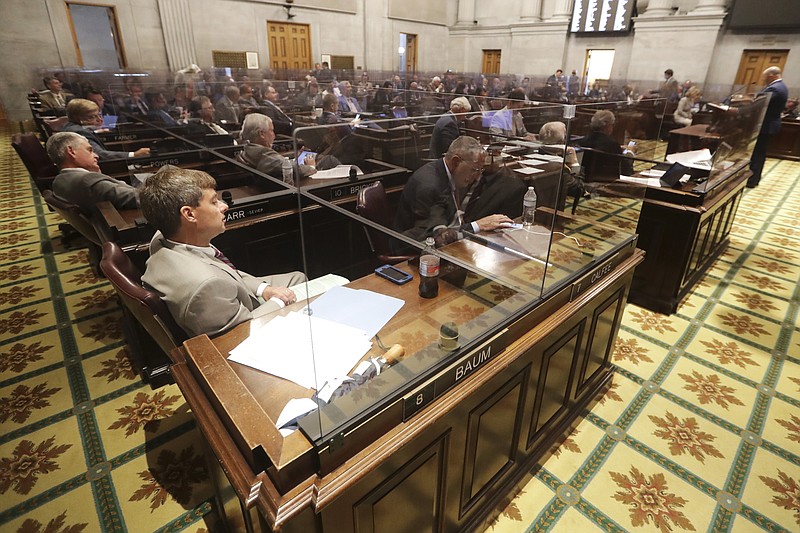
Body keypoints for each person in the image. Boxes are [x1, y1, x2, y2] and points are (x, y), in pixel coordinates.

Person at [139, 166, 306, 337]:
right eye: (213, 202)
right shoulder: (206, 285)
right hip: (240, 329)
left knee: (298, 278)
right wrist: (279, 301)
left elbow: (223, 271)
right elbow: (239, 333)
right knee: (303, 290)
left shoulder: (163, 237)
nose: (224, 206)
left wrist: (263, 289)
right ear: (189, 214)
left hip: (223, 298)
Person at [394, 136, 513, 243]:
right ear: (456, 162)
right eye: (474, 170)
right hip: (412, 247)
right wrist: (478, 225)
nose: (477, 178)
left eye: (480, 171)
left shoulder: (446, 173)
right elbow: (437, 238)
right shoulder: (430, 187)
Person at [46, 132, 138, 213]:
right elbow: (141, 199)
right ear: (71, 151)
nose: (96, 156)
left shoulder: (58, 181)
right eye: (89, 150)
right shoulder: (89, 182)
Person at [237, 113, 321, 180]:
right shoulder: (263, 154)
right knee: (326, 161)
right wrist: (311, 166)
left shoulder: (248, 149)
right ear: (261, 134)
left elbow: (278, 163)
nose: (274, 135)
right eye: (272, 130)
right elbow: (298, 171)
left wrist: (295, 159)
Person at [62, 99, 151, 160]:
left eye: (99, 115)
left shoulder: (70, 126)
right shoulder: (79, 132)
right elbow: (100, 155)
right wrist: (134, 154)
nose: (99, 120)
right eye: (92, 117)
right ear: (78, 118)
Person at [748, 66, 789, 188]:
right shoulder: (781, 87)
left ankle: (752, 180)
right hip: (769, 125)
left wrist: (741, 108)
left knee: (757, 154)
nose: (763, 79)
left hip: (766, 126)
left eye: (764, 76)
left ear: (772, 76)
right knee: (759, 153)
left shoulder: (775, 88)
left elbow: (759, 104)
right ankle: (753, 178)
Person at [578, 110, 634, 181]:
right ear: (607, 126)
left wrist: (619, 150)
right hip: (604, 182)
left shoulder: (583, 141)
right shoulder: (612, 144)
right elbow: (625, 170)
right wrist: (630, 153)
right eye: (612, 125)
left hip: (584, 178)